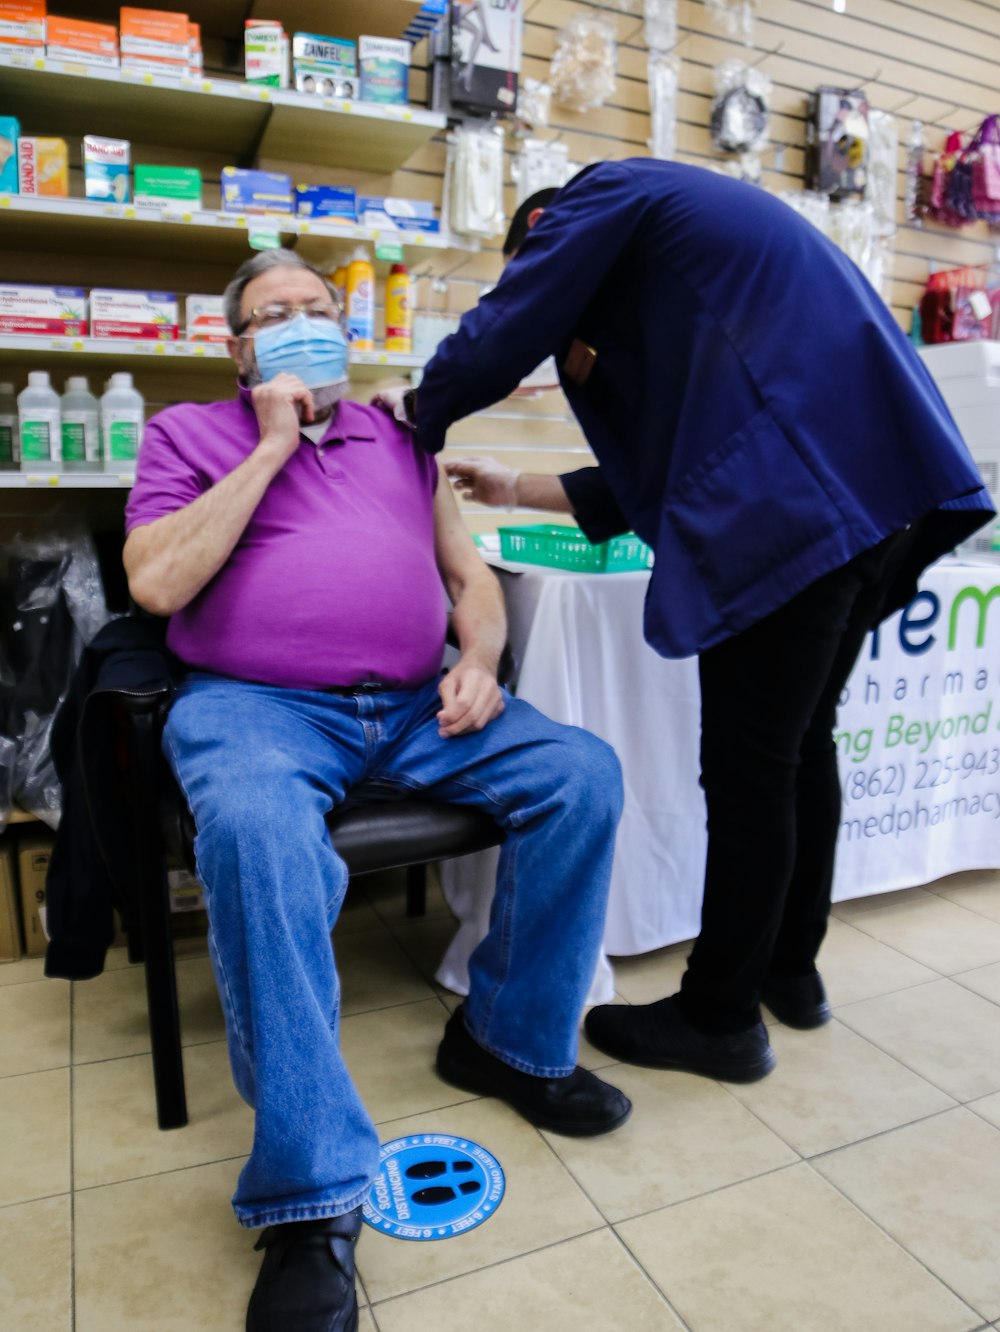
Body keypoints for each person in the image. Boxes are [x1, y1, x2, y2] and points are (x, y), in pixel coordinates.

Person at [376, 160, 995, 1087]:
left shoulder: (599, 199)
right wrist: (520, 488)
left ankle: (720, 1018)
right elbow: (675, 458)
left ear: (542, 231)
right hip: (879, 492)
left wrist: (418, 414)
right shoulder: (695, 261)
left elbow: (516, 321)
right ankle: (790, 969)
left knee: (749, 767)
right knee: (795, 745)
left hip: (798, 505)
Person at [122, 249, 630, 1332]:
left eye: (320, 309)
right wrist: (269, 446)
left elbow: (468, 579)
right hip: (255, 707)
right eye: (276, 315)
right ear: (237, 348)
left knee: (581, 776)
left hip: (410, 707)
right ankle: (309, 1202)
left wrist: (481, 658)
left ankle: (509, 1039)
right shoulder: (185, 436)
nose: (304, 325)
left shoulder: (401, 437)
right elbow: (159, 584)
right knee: (258, 832)